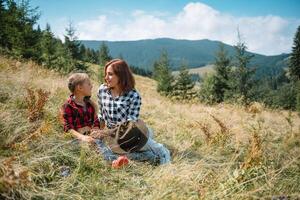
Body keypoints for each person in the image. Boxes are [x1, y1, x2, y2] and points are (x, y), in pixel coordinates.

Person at [94, 59, 171, 165]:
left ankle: (162, 155)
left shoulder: (133, 96)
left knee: (159, 150)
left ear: (121, 75)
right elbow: (101, 115)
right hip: (113, 135)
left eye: (110, 74)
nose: (106, 78)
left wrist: (105, 132)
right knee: (109, 152)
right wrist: (99, 131)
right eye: (106, 74)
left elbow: (129, 124)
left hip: (131, 133)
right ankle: (148, 157)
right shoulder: (102, 90)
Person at [61, 72, 129, 168]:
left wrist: (96, 129)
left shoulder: (90, 105)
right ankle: (113, 163)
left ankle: (114, 160)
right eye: (88, 84)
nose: (91, 86)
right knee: (92, 144)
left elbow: (95, 121)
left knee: (100, 142)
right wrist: (82, 137)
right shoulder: (67, 106)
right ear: (79, 88)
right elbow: (68, 128)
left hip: (91, 137)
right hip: (77, 139)